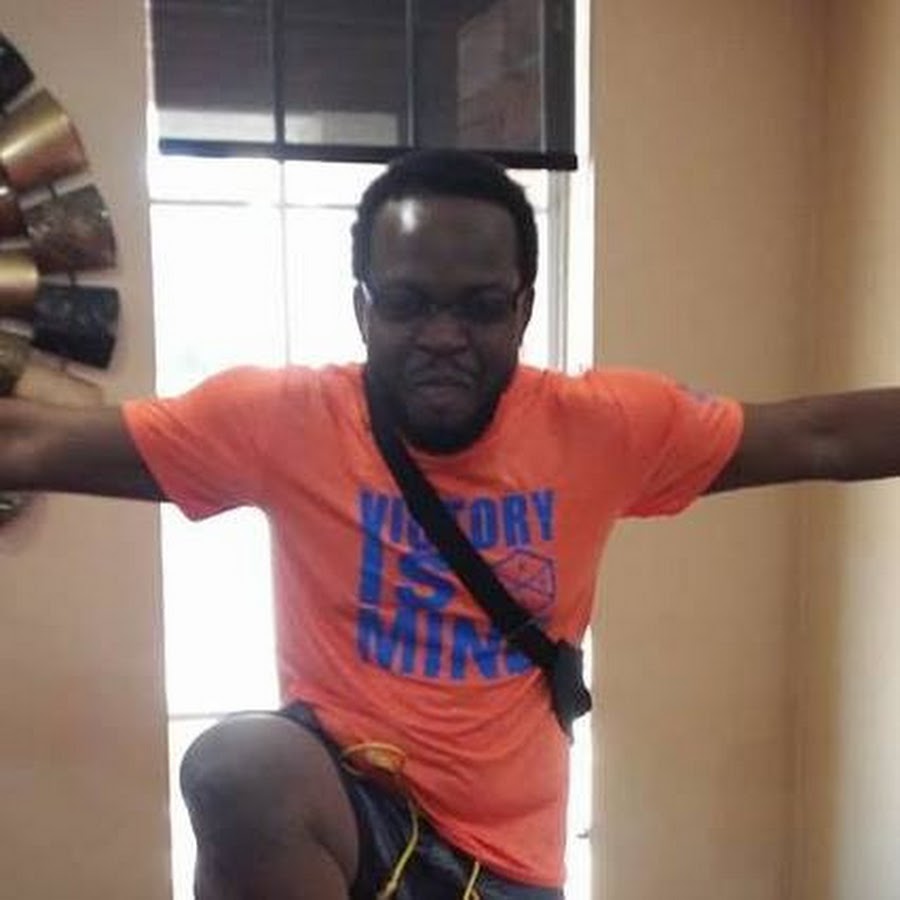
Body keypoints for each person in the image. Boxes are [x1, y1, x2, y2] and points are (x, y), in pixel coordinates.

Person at [2, 148, 899, 900]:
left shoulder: (604, 428)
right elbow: (33, 440)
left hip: (506, 869)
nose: (442, 336)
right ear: (363, 308)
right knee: (239, 767)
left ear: (522, 309)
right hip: (349, 823)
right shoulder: (285, 421)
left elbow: (817, 434)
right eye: (407, 303)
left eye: (477, 306)